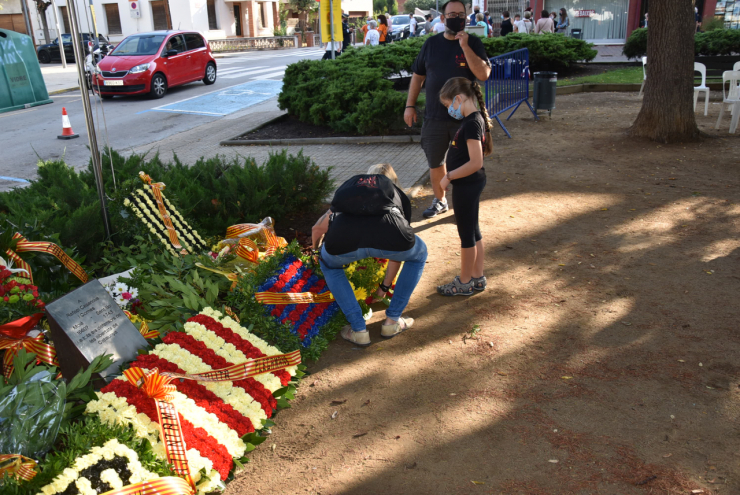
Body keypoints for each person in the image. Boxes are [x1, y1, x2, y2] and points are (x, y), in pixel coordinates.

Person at [312, 166, 428, 346]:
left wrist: (314, 251)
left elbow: (317, 229)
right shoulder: (395, 194)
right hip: (389, 240)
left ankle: (358, 330)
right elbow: (402, 241)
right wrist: (384, 286)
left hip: (343, 244)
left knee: (329, 264)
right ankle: (392, 321)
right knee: (419, 254)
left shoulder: (350, 195)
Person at [404, 0, 492, 219]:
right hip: (434, 117)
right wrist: (410, 106)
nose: (457, 18)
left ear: (466, 18)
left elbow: (483, 74)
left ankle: (464, 206)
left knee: (466, 164)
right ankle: (440, 201)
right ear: (442, 19)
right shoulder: (431, 44)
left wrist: (465, 46)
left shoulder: (473, 43)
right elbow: (418, 76)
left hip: (464, 119)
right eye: (451, 14)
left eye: (461, 14)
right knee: (436, 163)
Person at [436, 77, 492, 296]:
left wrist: (448, 176)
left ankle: (465, 281)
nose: (450, 109)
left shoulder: (471, 123)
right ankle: (477, 277)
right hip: (468, 184)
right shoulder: (473, 120)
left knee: (466, 234)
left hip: (467, 185)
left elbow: (476, 162)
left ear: (458, 98)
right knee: (473, 231)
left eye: (449, 105)